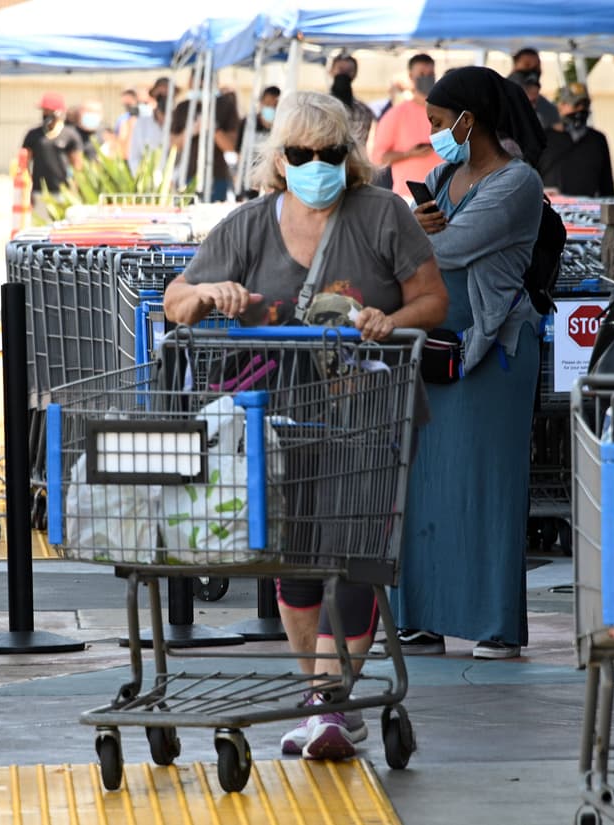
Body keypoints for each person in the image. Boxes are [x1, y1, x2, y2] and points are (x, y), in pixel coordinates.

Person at [163, 91, 448, 760]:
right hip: (276, 417)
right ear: (279, 159)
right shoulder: (248, 225)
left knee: (353, 553)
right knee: (291, 559)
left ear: (348, 157)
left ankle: (329, 702)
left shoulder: (382, 215)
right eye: (301, 153)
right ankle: (323, 697)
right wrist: (207, 294)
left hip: (367, 415)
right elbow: (178, 301)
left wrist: (389, 320)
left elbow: (433, 299)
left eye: (329, 153)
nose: (316, 164)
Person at [388, 67, 547, 660]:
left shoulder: (518, 182)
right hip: (434, 348)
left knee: (487, 488)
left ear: (467, 120)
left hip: (493, 351)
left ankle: (494, 624)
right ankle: (422, 617)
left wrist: (409, 235)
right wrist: (413, 230)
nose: (431, 133)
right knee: (424, 486)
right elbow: (420, 245)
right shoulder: (441, 176)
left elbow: (451, 248)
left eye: (436, 121)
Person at [372, 53, 443, 198]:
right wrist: (408, 154)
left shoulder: (446, 112)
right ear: (411, 76)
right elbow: (378, 157)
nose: (427, 78)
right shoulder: (396, 114)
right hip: (409, 196)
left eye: (430, 74)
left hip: (444, 194)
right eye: (421, 74)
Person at [537, 83, 614, 197]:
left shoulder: (597, 140)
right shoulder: (542, 138)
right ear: (560, 106)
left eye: (585, 105)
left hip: (588, 207)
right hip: (551, 205)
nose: (581, 110)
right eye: (576, 105)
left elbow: (607, 186)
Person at [172, 80, 240, 202]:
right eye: (198, 83)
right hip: (188, 175)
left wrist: (213, 128)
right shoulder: (182, 107)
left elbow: (231, 146)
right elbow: (174, 145)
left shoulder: (225, 106)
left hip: (217, 176)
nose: (201, 86)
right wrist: (191, 131)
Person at [21, 91, 83, 220]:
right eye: (44, 111)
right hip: (39, 192)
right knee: (41, 226)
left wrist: (74, 190)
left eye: (49, 111)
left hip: (63, 193)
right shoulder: (33, 135)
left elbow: (78, 166)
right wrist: (27, 189)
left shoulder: (70, 135)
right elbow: (24, 164)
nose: (46, 115)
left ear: (59, 113)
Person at [128, 78, 173, 178]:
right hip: (148, 181)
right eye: (160, 95)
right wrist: (144, 178)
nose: (164, 98)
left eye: (167, 94)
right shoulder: (142, 123)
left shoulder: (180, 121)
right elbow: (134, 156)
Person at [329, 53, 375, 146]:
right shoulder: (318, 105)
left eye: (349, 71)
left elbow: (361, 140)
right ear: (331, 71)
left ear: (355, 74)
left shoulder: (363, 110)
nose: (344, 74)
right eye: (340, 69)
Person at [509, 47, 560, 130]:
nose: (532, 71)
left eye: (536, 67)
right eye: (527, 65)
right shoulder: (498, 97)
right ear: (515, 66)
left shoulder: (548, 108)